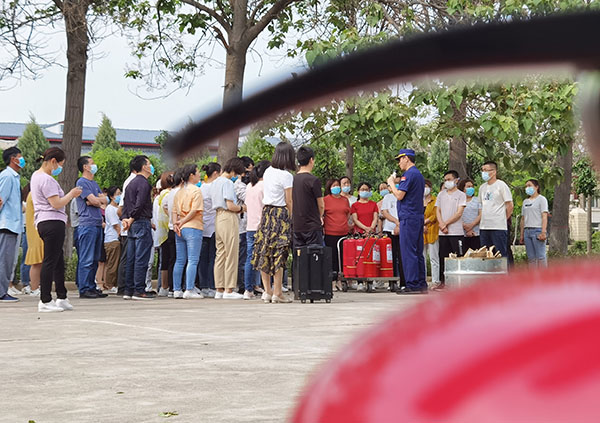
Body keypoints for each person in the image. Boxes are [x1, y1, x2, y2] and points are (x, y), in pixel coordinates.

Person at [31, 147, 82, 311]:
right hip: (51, 221)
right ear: (53, 161)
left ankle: (61, 295)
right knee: (50, 261)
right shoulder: (47, 179)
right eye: (60, 164)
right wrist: (71, 194)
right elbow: (56, 203)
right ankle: (45, 299)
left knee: (58, 260)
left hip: (46, 221)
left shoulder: (36, 176)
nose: (60, 168)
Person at [252, 142, 295, 304]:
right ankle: (278, 292)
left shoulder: (268, 171)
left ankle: (267, 291)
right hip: (280, 213)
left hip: (267, 213)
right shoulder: (287, 176)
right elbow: (289, 200)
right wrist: (292, 217)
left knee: (264, 250)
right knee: (279, 252)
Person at [387, 149, 427, 294]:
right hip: (416, 216)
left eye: (400, 159)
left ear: (406, 159)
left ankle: (412, 284)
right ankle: (421, 283)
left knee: (408, 251)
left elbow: (399, 195)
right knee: (417, 252)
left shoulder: (408, 174)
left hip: (408, 217)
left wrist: (391, 183)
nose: (399, 163)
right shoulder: (418, 175)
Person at [121, 155, 157, 300]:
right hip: (140, 221)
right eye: (149, 164)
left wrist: (126, 219)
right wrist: (132, 217)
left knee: (131, 257)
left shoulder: (130, 183)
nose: (151, 166)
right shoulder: (143, 183)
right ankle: (139, 290)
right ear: (144, 167)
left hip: (132, 224)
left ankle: (128, 290)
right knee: (141, 257)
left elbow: (125, 203)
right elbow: (140, 203)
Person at [212, 157, 246, 299]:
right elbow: (231, 205)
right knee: (231, 253)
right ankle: (229, 289)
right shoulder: (227, 183)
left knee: (220, 254)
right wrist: (242, 208)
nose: (236, 176)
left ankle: (219, 289)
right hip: (228, 216)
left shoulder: (215, 182)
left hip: (218, 217)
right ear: (233, 170)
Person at [75, 156, 108, 298]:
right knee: (86, 258)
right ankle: (84, 288)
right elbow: (95, 200)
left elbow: (104, 200)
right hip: (87, 225)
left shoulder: (94, 183)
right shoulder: (81, 182)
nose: (94, 166)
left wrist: (96, 200)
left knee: (95, 258)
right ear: (85, 167)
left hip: (97, 224)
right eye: (92, 163)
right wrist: (95, 200)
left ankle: (91, 286)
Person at [172, 164, 204, 299]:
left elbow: (174, 211)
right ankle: (189, 289)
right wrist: (183, 221)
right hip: (193, 226)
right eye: (197, 172)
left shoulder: (179, 191)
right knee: (193, 260)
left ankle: (177, 289)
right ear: (191, 175)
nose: (200, 175)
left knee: (180, 260)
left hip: (180, 229)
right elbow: (195, 210)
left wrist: (176, 223)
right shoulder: (196, 191)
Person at [0, 147, 25, 303]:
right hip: (6, 224)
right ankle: (1, 292)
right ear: (12, 159)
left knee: (8, 261)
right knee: (4, 260)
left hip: (13, 225)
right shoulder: (7, 177)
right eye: (20, 157)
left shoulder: (14, 177)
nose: (22, 160)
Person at [435, 170, 466, 289]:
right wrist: (441, 224)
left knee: (458, 256)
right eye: (445, 180)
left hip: (456, 232)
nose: (447, 182)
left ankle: (459, 283)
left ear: (456, 180)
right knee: (443, 257)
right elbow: (437, 210)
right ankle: (443, 282)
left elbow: (459, 213)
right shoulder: (441, 194)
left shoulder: (461, 195)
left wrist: (445, 223)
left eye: (449, 179)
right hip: (442, 233)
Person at [244, 160, 269, 300]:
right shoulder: (264, 186)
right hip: (262, 226)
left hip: (250, 226)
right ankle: (266, 289)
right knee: (265, 258)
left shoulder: (249, 186)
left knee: (250, 258)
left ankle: (248, 289)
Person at [479, 161, 514, 258]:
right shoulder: (482, 188)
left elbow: (510, 205)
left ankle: (502, 273)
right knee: (485, 255)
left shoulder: (501, 185)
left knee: (500, 255)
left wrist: (503, 218)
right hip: (484, 226)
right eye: (482, 170)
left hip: (498, 226)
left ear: (494, 172)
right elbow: (482, 206)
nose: (484, 173)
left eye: (486, 170)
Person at [292, 146, 324, 248]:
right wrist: (320, 216)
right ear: (311, 160)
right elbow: (321, 205)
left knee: (299, 258)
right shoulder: (313, 180)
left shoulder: (293, 179)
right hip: (312, 226)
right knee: (314, 259)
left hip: (296, 226)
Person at [323, 178, 351, 289]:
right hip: (330, 232)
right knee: (332, 257)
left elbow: (348, 213)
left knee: (343, 257)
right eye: (333, 186)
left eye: (337, 185)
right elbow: (322, 214)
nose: (336, 187)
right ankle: (332, 280)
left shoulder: (345, 200)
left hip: (344, 232)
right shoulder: (326, 199)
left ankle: (342, 279)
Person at [198, 163, 220, 298]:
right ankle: (212, 285)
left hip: (202, 226)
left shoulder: (201, 188)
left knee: (202, 258)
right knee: (213, 257)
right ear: (216, 173)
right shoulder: (215, 188)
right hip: (213, 226)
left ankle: (203, 285)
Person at [116, 164, 137, 295]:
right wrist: (127, 220)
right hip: (130, 226)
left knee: (129, 257)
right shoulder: (132, 182)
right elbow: (121, 209)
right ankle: (123, 285)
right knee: (128, 257)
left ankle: (125, 285)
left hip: (129, 224)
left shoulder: (131, 181)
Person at [381, 176, 405, 287]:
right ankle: (392, 281)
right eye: (394, 183)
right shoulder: (387, 197)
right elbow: (385, 212)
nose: (397, 185)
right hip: (389, 229)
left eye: (399, 183)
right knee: (390, 257)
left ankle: (403, 282)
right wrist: (396, 221)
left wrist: (400, 224)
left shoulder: (404, 197)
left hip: (402, 230)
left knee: (401, 256)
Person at [235, 156, 254, 294]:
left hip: (249, 224)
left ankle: (251, 284)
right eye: (248, 171)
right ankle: (242, 285)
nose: (249, 175)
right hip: (242, 226)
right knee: (243, 257)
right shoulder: (238, 185)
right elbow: (247, 198)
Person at [520, 179, 549, 267]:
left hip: (537, 230)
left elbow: (544, 216)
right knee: (531, 258)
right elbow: (523, 219)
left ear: (536, 187)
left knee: (541, 257)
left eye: (529, 185)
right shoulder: (525, 202)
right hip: (527, 231)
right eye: (526, 186)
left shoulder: (541, 199)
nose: (527, 188)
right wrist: (521, 234)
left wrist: (543, 232)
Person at [155, 172, 173, 297]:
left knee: (164, 260)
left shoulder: (159, 196)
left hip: (161, 231)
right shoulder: (169, 194)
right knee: (170, 259)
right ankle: (167, 286)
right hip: (168, 229)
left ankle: (163, 286)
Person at [24, 189, 43, 297]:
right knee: (36, 261)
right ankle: (34, 288)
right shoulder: (34, 194)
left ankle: (38, 286)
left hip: (39, 230)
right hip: (36, 231)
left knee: (41, 260)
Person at [104, 186, 122, 293]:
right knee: (112, 263)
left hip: (116, 239)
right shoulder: (110, 209)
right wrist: (121, 234)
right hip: (112, 239)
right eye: (117, 194)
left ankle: (114, 283)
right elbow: (116, 225)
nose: (119, 196)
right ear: (111, 196)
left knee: (117, 262)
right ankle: (109, 285)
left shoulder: (118, 208)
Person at [422, 179, 439, 286]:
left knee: (434, 257)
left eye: (426, 186)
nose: (425, 189)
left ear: (431, 188)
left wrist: (425, 222)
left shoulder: (435, 200)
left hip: (432, 230)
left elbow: (436, 214)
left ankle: (435, 280)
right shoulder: (417, 200)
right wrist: (421, 224)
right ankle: (422, 281)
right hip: (420, 232)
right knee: (421, 257)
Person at [459, 178, 482, 251]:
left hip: (476, 232)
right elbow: (456, 214)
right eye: (468, 186)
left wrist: (471, 226)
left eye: (472, 186)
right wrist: (465, 227)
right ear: (463, 188)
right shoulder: (458, 201)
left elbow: (480, 214)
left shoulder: (477, 200)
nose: (471, 188)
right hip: (462, 232)